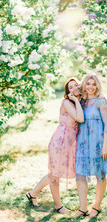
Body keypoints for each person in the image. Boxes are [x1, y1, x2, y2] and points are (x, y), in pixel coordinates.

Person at [26, 77, 84, 213]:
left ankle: (32, 194)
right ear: (68, 92)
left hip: (70, 142)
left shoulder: (80, 103)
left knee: (54, 173)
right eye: (71, 87)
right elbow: (80, 118)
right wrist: (75, 100)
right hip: (60, 141)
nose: (74, 88)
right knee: (54, 174)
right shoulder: (67, 103)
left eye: (76, 85)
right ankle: (59, 206)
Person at [75, 73, 107, 217]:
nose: (91, 87)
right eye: (88, 84)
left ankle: (96, 207)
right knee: (80, 174)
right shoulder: (82, 101)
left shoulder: (101, 101)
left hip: (98, 143)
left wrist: (105, 146)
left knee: (100, 174)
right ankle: (82, 207)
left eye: (94, 84)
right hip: (83, 143)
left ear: (97, 86)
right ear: (84, 85)